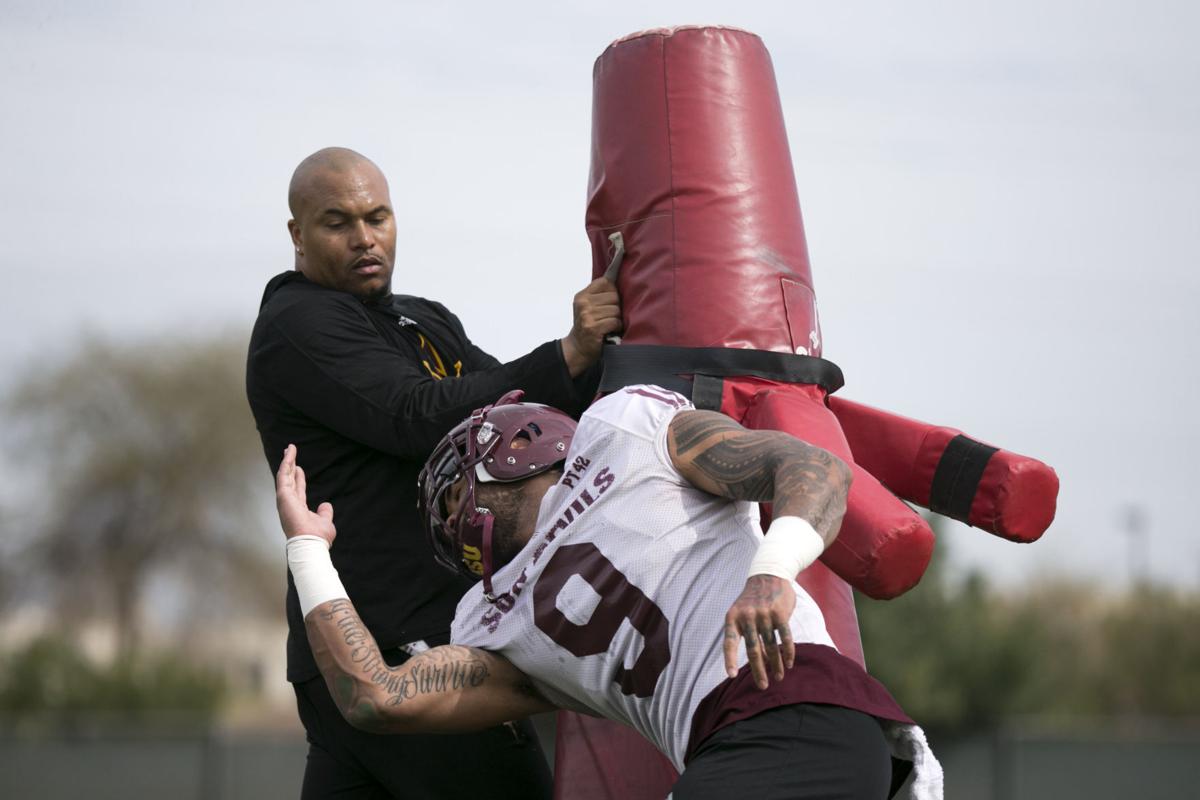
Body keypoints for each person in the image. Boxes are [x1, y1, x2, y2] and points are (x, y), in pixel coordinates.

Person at [276, 385, 943, 799]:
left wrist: (773, 567)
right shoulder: (491, 620)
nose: (452, 522)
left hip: (793, 707)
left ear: (512, 446)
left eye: (453, 495)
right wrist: (308, 551)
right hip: (732, 750)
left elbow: (811, 466)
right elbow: (376, 697)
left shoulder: (624, 431)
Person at [246, 147, 620, 799]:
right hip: (392, 646)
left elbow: (520, 416)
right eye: (338, 222)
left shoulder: (423, 317)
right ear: (297, 234)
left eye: (378, 216)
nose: (365, 237)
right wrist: (566, 352)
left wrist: (595, 369)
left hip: (378, 650)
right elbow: (413, 415)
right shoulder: (297, 322)